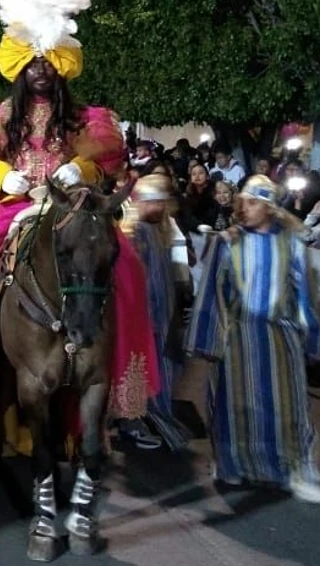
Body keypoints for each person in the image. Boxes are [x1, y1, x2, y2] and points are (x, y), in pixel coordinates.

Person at [0, 0, 158, 425]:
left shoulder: (85, 120)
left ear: (59, 63)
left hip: (71, 207)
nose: (39, 69)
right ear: (19, 66)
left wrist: (83, 170)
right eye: (30, 61)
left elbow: (105, 163)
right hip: (14, 208)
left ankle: (111, 379)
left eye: (46, 61)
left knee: (129, 269)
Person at [186, 175, 320, 504]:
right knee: (234, 406)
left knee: (289, 405)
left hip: (279, 336)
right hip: (237, 337)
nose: (245, 208)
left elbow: (302, 294)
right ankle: (233, 465)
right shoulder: (227, 241)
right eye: (243, 202)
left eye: (253, 202)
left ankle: (296, 471)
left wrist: (310, 337)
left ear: (269, 207)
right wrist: (206, 340)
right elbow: (211, 293)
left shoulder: (291, 241)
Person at [120, 174, 192, 451]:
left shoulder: (162, 230)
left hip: (162, 318)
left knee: (164, 370)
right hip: (140, 320)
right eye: (153, 201)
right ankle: (133, 424)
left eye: (161, 201)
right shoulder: (131, 233)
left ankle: (153, 420)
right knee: (137, 372)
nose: (158, 206)